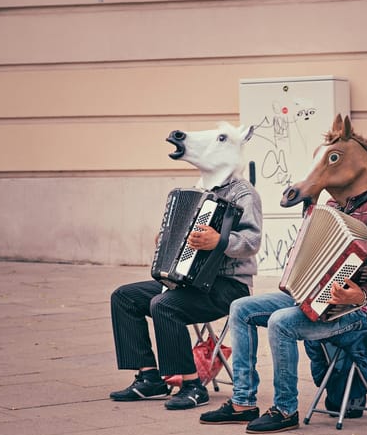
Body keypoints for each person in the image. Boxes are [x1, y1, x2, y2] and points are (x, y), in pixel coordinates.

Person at [199, 114, 367, 432]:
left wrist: (357, 294)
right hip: (309, 298)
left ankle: (284, 409)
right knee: (240, 309)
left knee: (281, 323)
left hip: (356, 308)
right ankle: (243, 401)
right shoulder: (332, 208)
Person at [110, 124, 263, 411]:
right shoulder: (199, 191)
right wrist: (167, 239)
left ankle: (192, 385)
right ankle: (148, 377)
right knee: (124, 297)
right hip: (190, 282)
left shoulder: (245, 193)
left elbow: (252, 242)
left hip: (229, 286)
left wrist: (220, 241)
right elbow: (181, 235)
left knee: (164, 305)